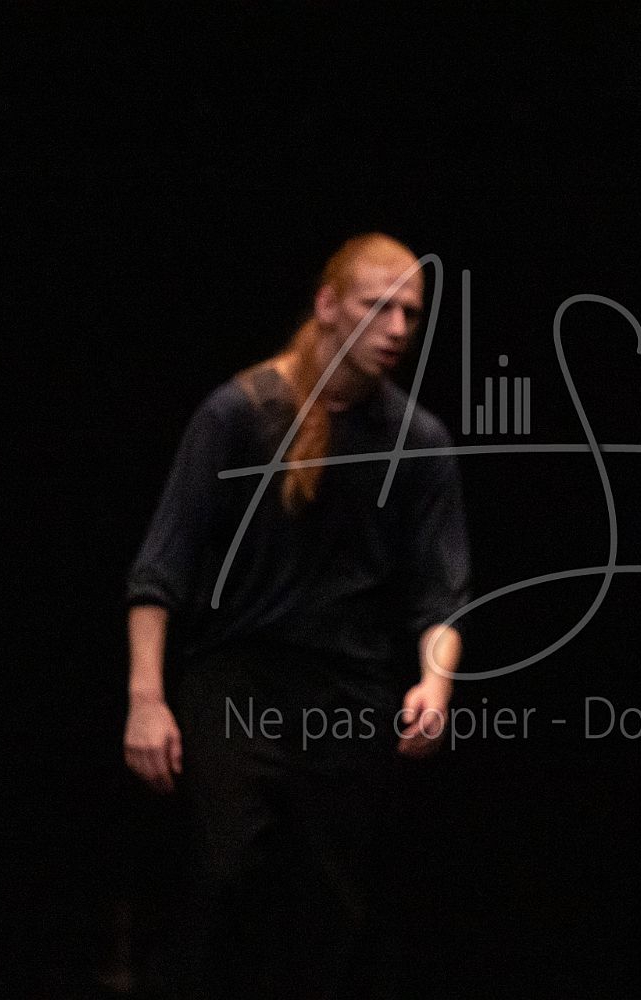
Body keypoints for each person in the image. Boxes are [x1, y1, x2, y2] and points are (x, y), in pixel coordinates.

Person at [122, 233, 470, 999]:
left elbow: (441, 589)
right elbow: (161, 566)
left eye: (411, 313)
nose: (396, 328)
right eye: (377, 307)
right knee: (225, 874)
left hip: (349, 693)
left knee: (328, 905)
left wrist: (435, 684)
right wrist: (146, 699)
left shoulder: (417, 440)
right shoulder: (240, 414)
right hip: (239, 681)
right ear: (327, 305)